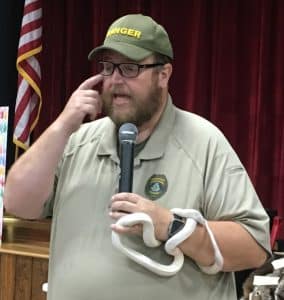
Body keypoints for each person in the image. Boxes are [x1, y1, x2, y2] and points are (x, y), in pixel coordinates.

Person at [4, 14, 271, 300]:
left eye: (130, 68)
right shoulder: (76, 141)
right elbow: (18, 204)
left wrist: (170, 226)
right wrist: (62, 126)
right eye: (108, 67)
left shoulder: (204, 142)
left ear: (164, 74)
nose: (116, 80)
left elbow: (253, 247)